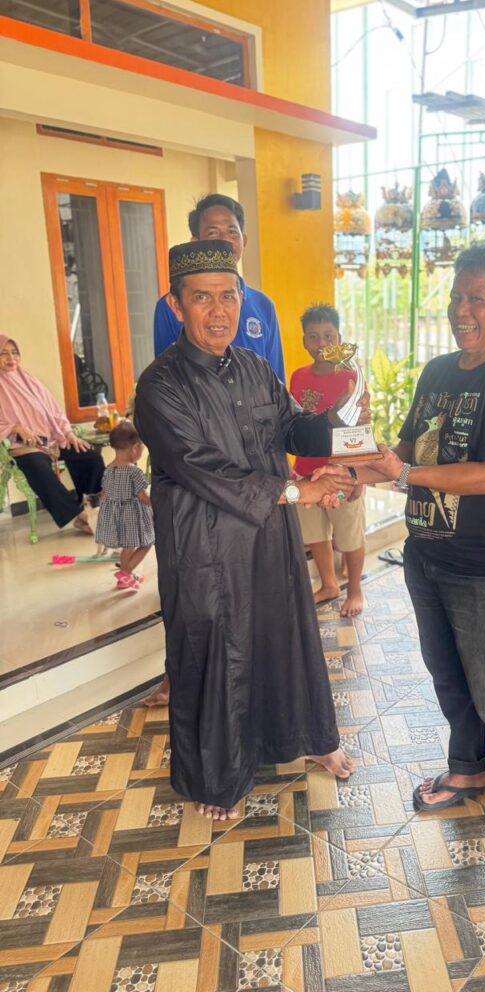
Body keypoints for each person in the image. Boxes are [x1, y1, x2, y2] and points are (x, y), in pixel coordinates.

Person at [135, 240, 359, 821]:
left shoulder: (256, 368)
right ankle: (217, 778)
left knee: (284, 635)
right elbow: (199, 465)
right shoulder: (160, 385)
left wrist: (350, 435)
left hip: (268, 536)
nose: (219, 311)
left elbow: (294, 427)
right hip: (205, 544)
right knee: (215, 652)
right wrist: (299, 491)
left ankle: (307, 736)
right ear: (176, 305)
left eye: (228, 296)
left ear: (242, 300)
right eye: (202, 298)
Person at [356, 245, 485, 894]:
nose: (462, 310)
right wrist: (354, 465)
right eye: (456, 297)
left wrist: (405, 474)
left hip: (483, 567)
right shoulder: (439, 371)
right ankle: (469, 769)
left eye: (477, 299)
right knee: (450, 679)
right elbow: (406, 451)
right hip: (427, 554)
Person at [153, 194, 285, 382]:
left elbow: (276, 379)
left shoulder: (263, 305)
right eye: (213, 233)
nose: (225, 241)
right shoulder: (172, 306)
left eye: (232, 232)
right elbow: (166, 375)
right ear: (195, 242)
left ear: (244, 240)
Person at [290, 305, 366, 617]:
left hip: (341, 475)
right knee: (315, 534)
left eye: (328, 336)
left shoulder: (350, 376)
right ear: (304, 341)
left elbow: (361, 428)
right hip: (306, 473)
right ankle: (329, 584)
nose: (321, 343)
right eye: (313, 336)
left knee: (349, 533)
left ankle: (355, 590)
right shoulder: (298, 377)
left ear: (339, 339)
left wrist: (358, 475)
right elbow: (292, 425)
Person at [0, 335, 103, 535]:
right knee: (38, 468)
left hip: (52, 440)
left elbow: (55, 412)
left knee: (89, 456)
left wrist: (69, 434)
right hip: (23, 446)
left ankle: (92, 508)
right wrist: (16, 427)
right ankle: (78, 516)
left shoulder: (30, 381)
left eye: (14, 353)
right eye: (4, 353)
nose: (11, 358)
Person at [95, 421, 154, 591]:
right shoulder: (134, 472)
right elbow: (143, 497)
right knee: (147, 543)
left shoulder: (108, 469)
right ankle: (125, 573)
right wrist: (158, 503)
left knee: (127, 547)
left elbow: (104, 494)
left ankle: (124, 577)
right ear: (135, 447)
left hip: (117, 517)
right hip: (133, 517)